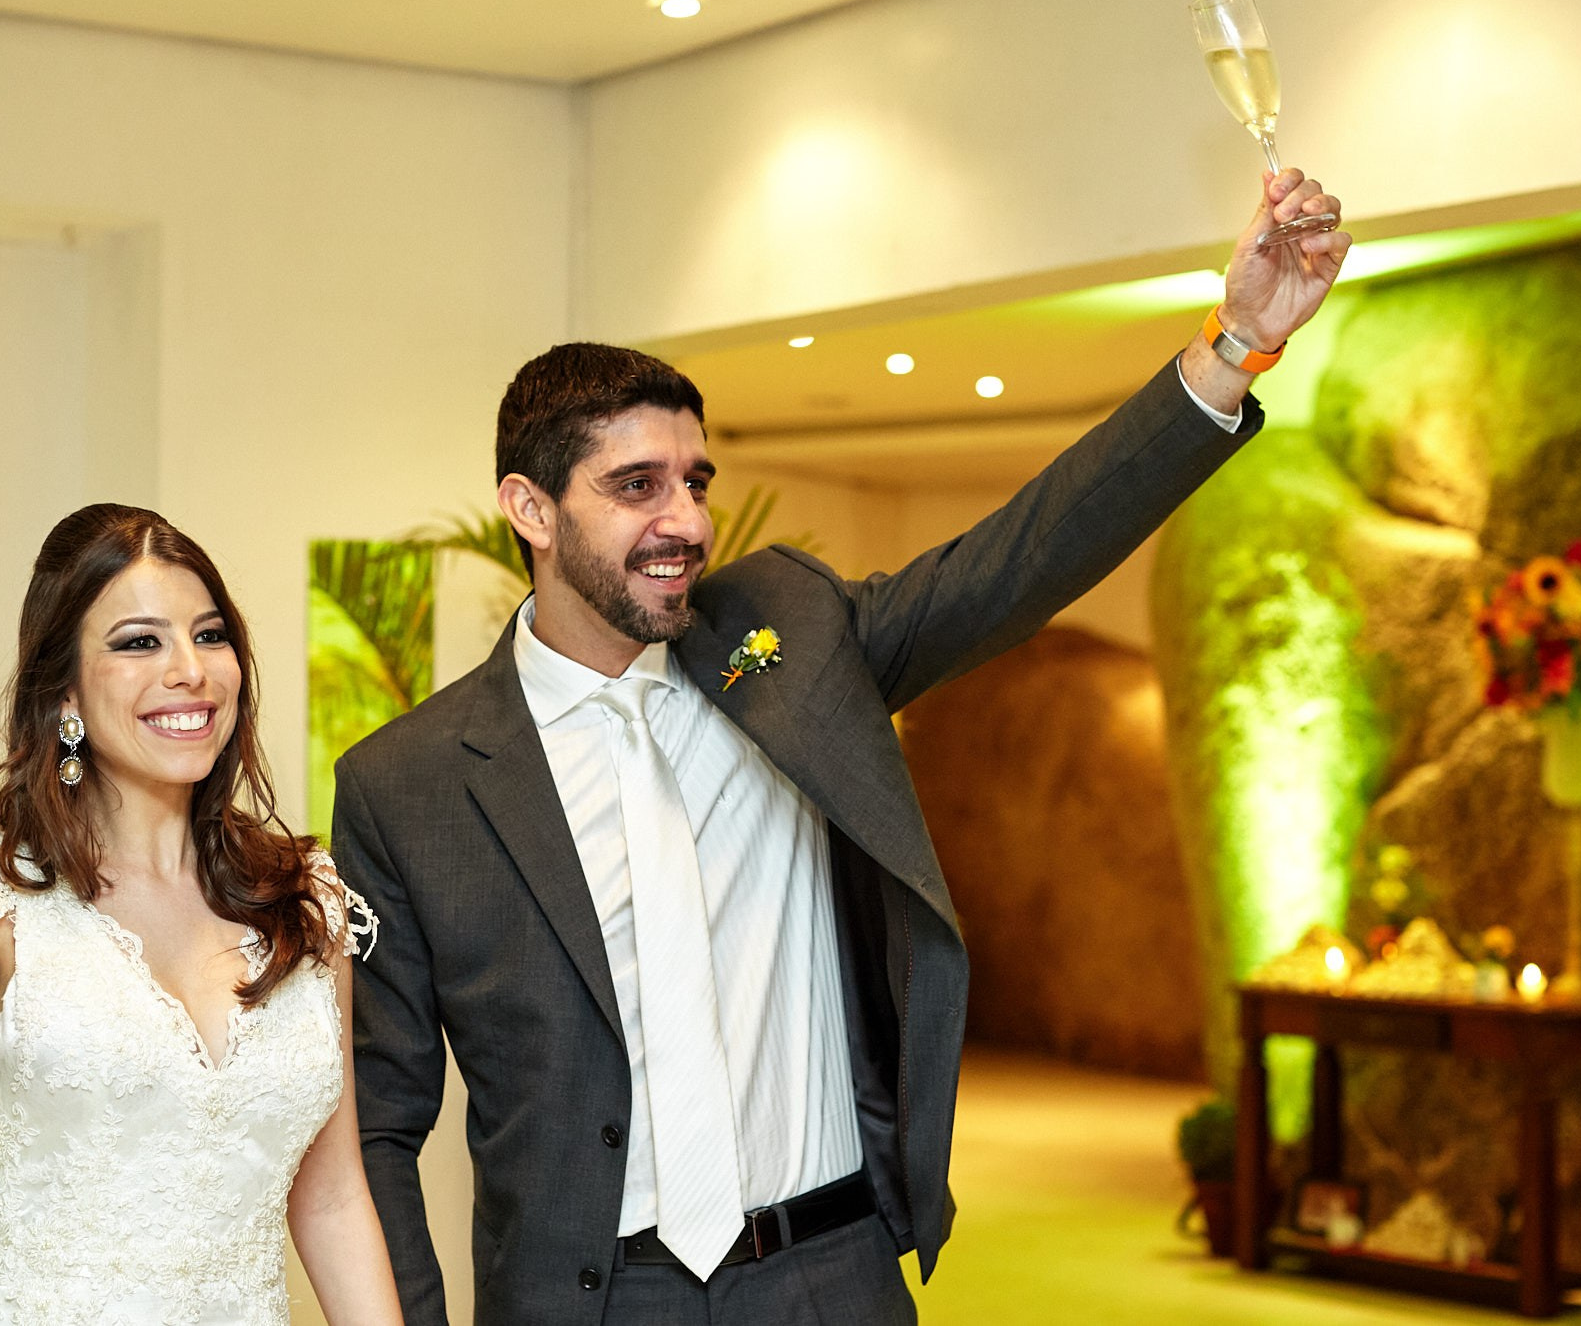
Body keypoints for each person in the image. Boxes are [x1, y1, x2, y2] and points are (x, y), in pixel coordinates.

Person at [333, 170, 1349, 1324]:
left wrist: (1234, 348)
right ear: (528, 509)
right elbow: (378, 1121)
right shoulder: (405, 784)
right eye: (634, 487)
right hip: (597, 1301)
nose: (686, 523)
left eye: (693, 482)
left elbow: (1020, 556)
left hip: (829, 1278)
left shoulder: (791, 639)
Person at [0, 504, 404, 1326]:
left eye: (211, 634)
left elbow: (330, 1200)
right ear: (65, 690)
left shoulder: (306, 898)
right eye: (139, 641)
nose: (191, 670)